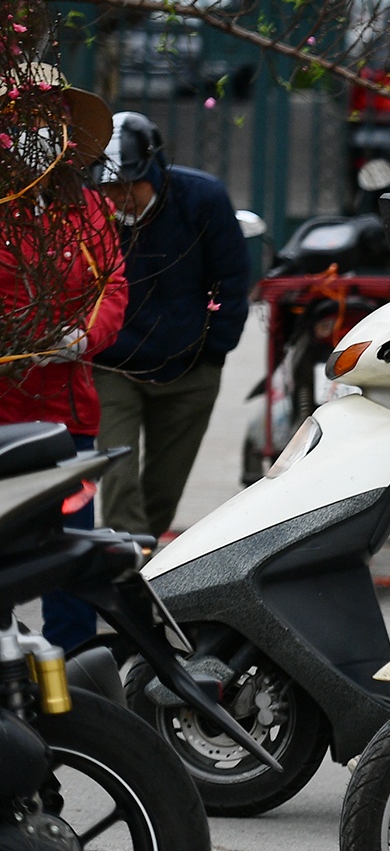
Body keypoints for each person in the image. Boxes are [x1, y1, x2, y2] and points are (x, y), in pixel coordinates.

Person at [0, 67, 128, 650]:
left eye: (51, 121)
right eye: (28, 119)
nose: (41, 133)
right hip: (3, 418)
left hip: (67, 423)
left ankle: (79, 695)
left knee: (72, 564)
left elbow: (113, 286)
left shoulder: (89, 211)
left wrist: (84, 336)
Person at [89, 112, 250, 539]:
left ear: (155, 170)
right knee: (117, 475)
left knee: (164, 486)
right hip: (113, 366)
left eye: (130, 184)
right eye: (110, 187)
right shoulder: (92, 212)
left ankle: (141, 556)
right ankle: (127, 565)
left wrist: (214, 351)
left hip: (188, 367)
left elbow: (233, 279)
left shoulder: (203, 198)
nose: (120, 196)